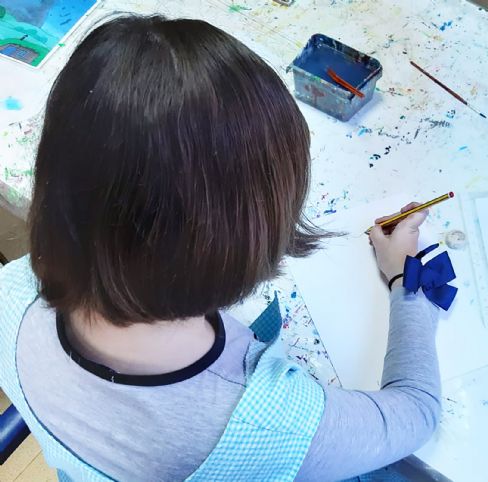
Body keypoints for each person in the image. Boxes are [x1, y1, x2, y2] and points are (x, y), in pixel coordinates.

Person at [0, 15, 441, 481]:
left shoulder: (10, 294)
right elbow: (417, 411)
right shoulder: (269, 425)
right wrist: (405, 282)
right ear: (248, 232)